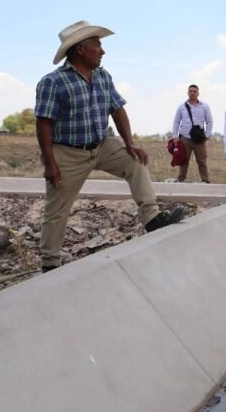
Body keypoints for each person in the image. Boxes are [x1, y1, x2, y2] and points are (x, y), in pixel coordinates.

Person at [34, 21, 185, 272]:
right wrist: (50, 163)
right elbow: (44, 124)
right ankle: (49, 263)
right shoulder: (54, 82)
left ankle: (153, 219)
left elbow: (117, 109)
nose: (102, 51)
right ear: (81, 49)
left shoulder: (103, 76)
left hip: (102, 144)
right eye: (97, 45)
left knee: (135, 161)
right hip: (68, 152)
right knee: (57, 209)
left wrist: (130, 143)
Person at [171, 84, 213, 183]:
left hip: (199, 139)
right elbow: (176, 121)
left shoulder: (205, 106)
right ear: (188, 93)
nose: (193, 93)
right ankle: (181, 180)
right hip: (185, 138)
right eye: (191, 91)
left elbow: (209, 121)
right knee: (183, 161)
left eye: (195, 91)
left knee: (202, 161)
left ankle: (205, 181)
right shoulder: (181, 107)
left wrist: (207, 135)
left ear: (198, 93)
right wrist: (175, 136)